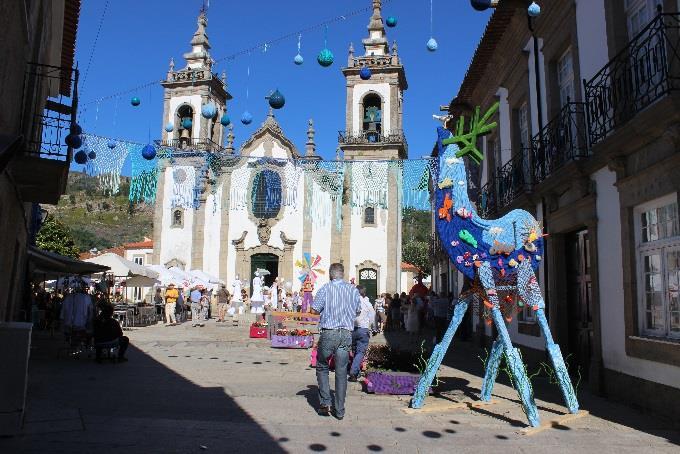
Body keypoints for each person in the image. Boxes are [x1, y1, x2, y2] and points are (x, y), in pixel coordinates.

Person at [311, 263, 361, 421]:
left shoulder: (326, 289)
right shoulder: (353, 290)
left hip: (329, 332)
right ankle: (339, 410)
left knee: (322, 365)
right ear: (343, 274)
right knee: (341, 371)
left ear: (330, 275)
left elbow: (314, 309)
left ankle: (325, 403)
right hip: (346, 333)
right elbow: (358, 310)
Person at [349, 285, 375, 381]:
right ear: (364, 293)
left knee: (355, 351)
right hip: (363, 329)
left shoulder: (351, 303)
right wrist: (373, 329)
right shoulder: (367, 303)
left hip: (352, 329)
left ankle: (357, 371)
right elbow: (373, 318)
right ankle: (353, 373)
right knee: (360, 352)